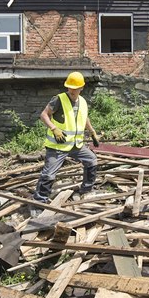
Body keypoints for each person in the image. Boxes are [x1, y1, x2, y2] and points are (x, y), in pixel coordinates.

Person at [33, 71, 100, 206]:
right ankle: (39, 201)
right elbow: (44, 115)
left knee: (92, 161)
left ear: (82, 88)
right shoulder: (59, 99)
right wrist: (53, 128)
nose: (72, 90)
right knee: (49, 174)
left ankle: (86, 189)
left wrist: (92, 131)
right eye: (70, 87)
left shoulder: (82, 102)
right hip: (58, 145)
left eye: (75, 88)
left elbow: (84, 117)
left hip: (76, 145)